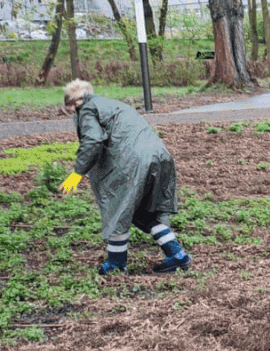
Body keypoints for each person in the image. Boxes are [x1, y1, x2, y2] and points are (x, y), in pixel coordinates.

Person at [60, 80, 192, 275]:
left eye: (71, 112)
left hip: (131, 162)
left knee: (117, 206)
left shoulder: (87, 109)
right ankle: (177, 255)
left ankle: (116, 264)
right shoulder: (112, 104)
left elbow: (93, 140)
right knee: (145, 211)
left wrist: (77, 173)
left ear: (74, 104)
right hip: (159, 156)